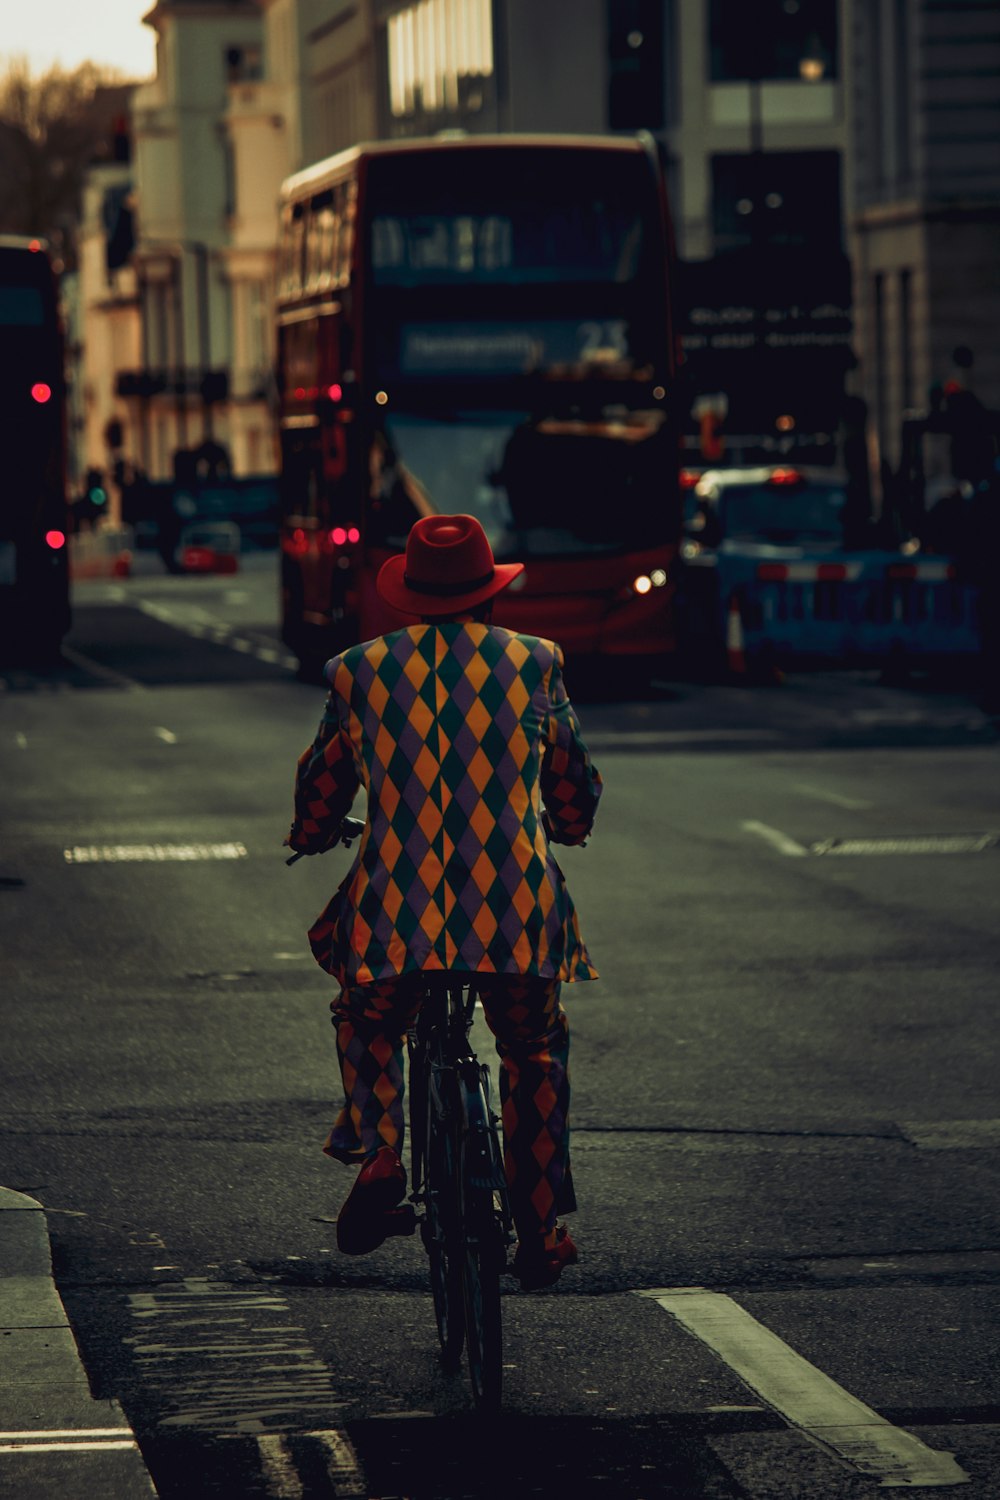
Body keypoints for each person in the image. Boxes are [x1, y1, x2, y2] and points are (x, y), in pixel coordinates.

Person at [286, 513, 602, 1289]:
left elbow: (322, 785)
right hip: (517, 914)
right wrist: (563, 824)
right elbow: (572, 783)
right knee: (531, 1051)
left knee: (367, 1017)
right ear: (489, 592)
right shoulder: (536, 663)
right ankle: (537, 1229)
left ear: (412, 597)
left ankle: (385, 1150)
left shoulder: (359, 671)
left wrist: (314, 830)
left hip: (396, 914)